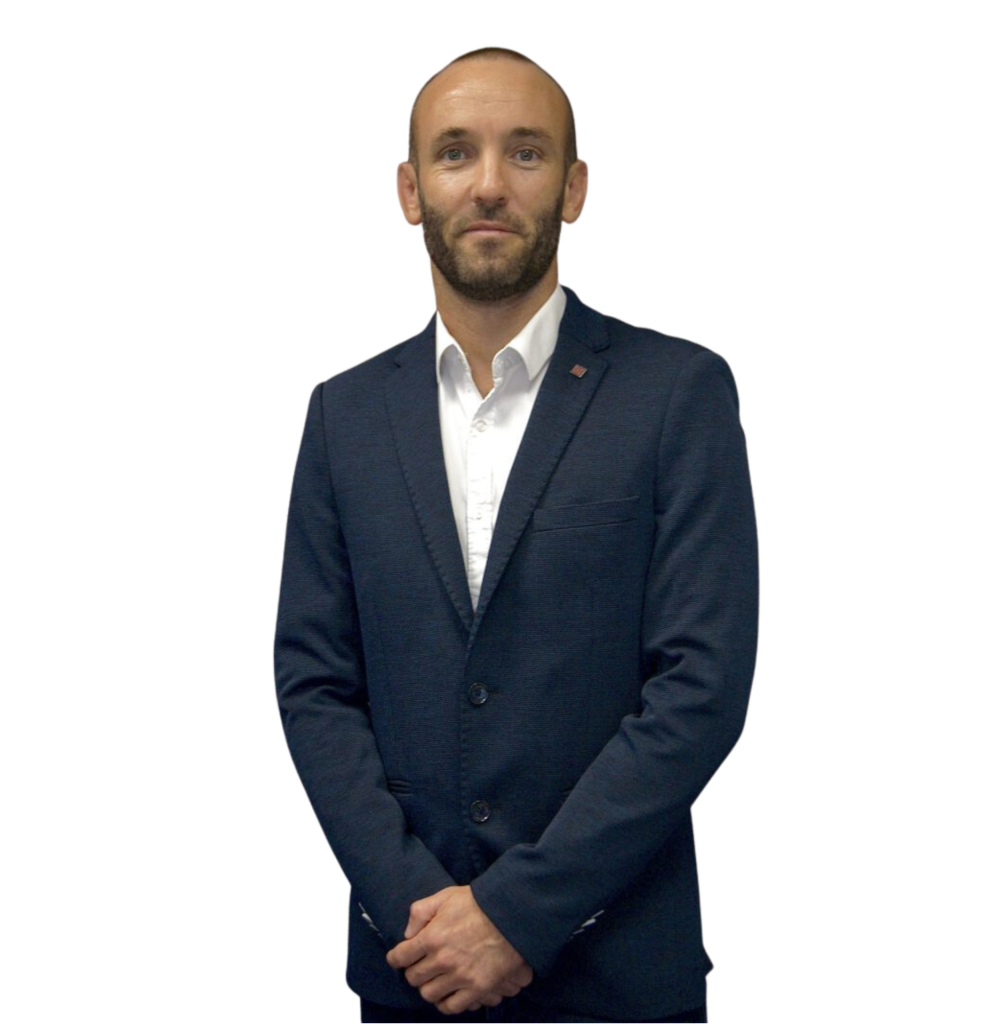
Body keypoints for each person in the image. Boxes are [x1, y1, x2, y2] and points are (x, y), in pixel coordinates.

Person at [273, 46, 758, 1024]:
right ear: (410, 191)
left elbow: (699, 687)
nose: (489, 183)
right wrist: (421, 912)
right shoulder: (344, 417)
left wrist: (515, 917)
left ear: (573, 188)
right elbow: (314, 681)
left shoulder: (677, 395)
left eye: (526, 153)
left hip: (620, 979)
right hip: (415, 973)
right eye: (455, 154)